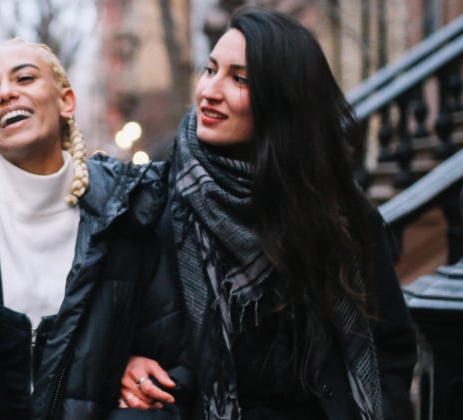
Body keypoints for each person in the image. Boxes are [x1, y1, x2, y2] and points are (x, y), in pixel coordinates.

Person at [118, 7, 417, 420]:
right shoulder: (156, 203)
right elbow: (110, 325)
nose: (210, 90)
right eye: (210, 70)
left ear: (284, 98)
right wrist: (126, 364)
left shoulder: (340, 216)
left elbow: (390, 350)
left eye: (239, 79)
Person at [0, 38, 190, 420]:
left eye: (24, 78)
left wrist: (127, 372)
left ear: (66, 102)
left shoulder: (132, 215)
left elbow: (174, 359)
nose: (5, 93)